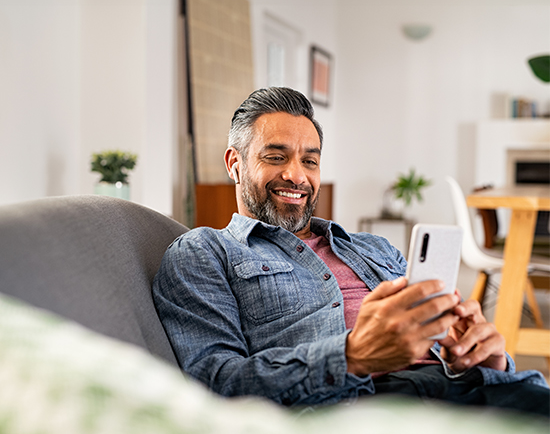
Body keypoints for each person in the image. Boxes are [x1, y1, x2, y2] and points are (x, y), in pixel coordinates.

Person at [153, 87, 549, 416]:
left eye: (310, 160)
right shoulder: (205, 251)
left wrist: (488, 357)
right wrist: (353, 356)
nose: (296, 175)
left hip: (474, 389)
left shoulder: (373, 249)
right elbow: (215, 384)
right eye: (275, 157)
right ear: (234, 164)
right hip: (364, 408)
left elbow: (449, 344)